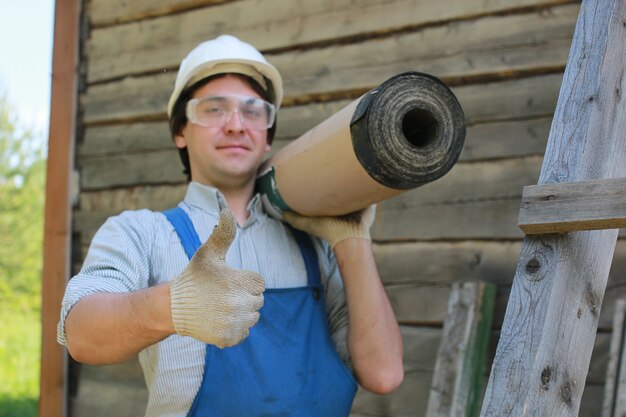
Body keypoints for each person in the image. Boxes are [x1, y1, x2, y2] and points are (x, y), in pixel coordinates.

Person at [57, 34, 404, 417]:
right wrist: (172, 306)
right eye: (214, 109)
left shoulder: (315, 241)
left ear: (268, 134)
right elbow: (80, 335)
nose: (236, 125)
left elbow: (384, 373)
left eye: (253, 111)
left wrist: (352, 239)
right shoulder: (142, 233)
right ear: (179, 131)